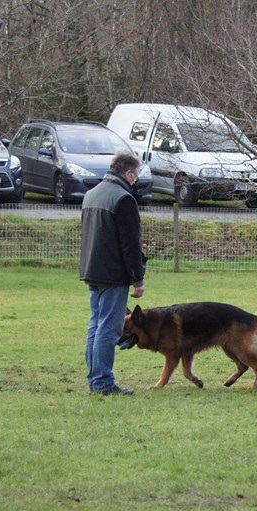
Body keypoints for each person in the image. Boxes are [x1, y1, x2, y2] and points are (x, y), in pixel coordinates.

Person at [79, 152, 147, 395]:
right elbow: (130, 243)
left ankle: (95, 378)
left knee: (96, 325)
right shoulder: (123, 198)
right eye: (135, 176)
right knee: (109, 328)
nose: (136, 181)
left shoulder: (91, 194)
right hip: (113, 274)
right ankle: (102, 383)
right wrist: (137, 277)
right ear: (127, 174)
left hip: (91, 270)